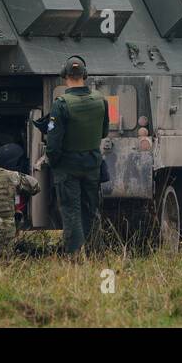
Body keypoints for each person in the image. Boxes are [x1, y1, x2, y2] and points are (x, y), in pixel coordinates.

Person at [45, 56, 109, 256]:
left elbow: (53, 143)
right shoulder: (100, 100)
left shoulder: (61, 104)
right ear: (85, 75)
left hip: (67, 167)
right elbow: (103, 133)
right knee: (90, 210)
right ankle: (95, 251)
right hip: (92, 164)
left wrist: (53, 163)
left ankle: (74, 255)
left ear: (65, 75)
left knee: (71, 210)